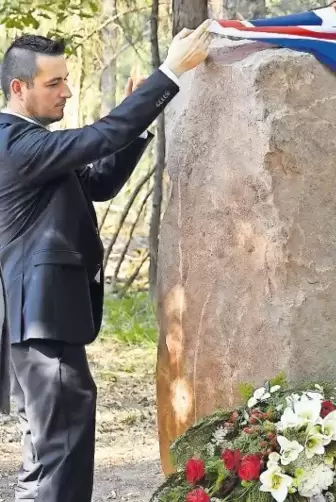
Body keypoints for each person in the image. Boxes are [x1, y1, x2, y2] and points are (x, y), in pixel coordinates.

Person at [0, 20, 212, 502]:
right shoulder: (15, 143)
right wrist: (169, 74)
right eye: (53, 83)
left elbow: (98, 183)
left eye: (66, 80)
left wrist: (138, 122)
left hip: (44, 326)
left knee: (49, 453)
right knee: (61, 457)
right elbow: (98, 138)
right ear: (19, 88)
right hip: (42, 326)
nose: (67, 92)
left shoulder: (32, 143)